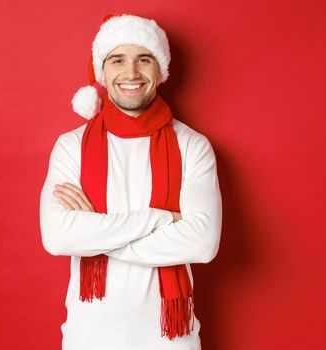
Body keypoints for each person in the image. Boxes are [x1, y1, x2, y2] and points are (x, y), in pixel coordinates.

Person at [39, 14, 222, 350]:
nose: (131, 73)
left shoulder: (192, 145)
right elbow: (57, 237)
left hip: (171, 340)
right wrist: (163, 218)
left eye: (144, 59)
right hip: (88, 337)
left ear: (160, 70)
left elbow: (202, 244)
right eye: (117, 60)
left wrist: (95, 231)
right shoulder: (71, 146)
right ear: (101, 71)